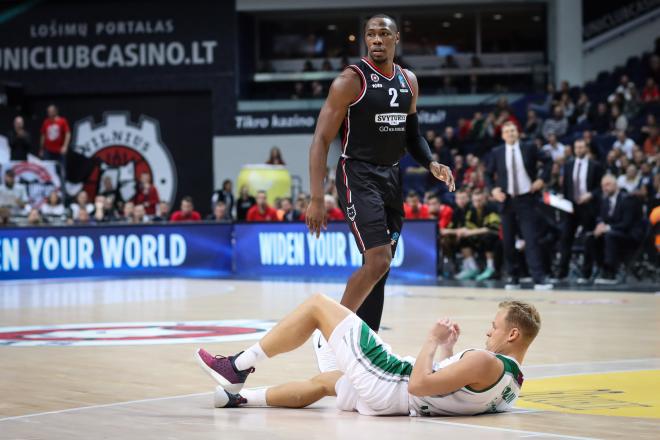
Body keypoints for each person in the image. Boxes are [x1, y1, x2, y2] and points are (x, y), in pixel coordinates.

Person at [305, 15, 454, 359]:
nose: (376, 39)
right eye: (370, 34)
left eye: (383, 34)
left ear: (395, 39)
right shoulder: (349, 81)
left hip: (391, 177)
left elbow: (412, 134)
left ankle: (366, 345)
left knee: (381, 269)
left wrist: (431, 162)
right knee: (378, 259)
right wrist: (316, 197)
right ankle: (331, 338)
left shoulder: (408, 81)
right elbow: (321, 140)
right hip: (357, 174)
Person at [195, 294, 539, 417]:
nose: (488, 332)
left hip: (392, 382)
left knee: (318, 305)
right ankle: (238, 400)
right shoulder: (513, 383)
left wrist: (432, 342)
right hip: (394, 403)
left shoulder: (486, 360)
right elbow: (452, 390)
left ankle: (237, 367)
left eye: (494, 327)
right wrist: (451, 350)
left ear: (512, 334)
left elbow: (420, 384)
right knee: (328, 382)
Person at [486, 121, 553, 289]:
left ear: (518, 132)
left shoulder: (529, 147)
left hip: (526, 198)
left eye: (513, 130)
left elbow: (548, 161)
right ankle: (513, 277)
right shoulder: (497, 152)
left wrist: (542, 179)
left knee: (531, 239)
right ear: (502, 135)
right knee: (508, 241)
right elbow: (487, 174)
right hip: (506, 200)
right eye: (507, 131)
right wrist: (493, 190)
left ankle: (539, 278)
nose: (510, 133)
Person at [556, 139, 603, 282]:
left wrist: (591, 194)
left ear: (586, 149)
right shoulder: (568, 165)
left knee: (588, 239)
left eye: (581, 147)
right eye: (576, 147)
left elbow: (599, 188)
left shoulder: (595, 165)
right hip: (571, 207)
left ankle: (586, 273)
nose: (579, 149)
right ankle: (561, 273)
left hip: (588, 207)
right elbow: (565, 187)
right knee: (565, 239)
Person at [588, 175, 645, 284]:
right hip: (614, 233)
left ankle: (611, 273)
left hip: (630, 235)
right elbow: (600, 217)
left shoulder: (627, 199)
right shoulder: (605, 201)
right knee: (592, 237)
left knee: (610, 236)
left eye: (608, 184)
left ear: (616, 185)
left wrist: (607, 228)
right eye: (603, 186)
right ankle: (600, 269)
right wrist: (600, 225)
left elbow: (627, 224)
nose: (605, 188)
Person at [453, 190, 501, 281]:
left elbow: (490, 229)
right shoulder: (471, 210)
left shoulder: (491, 208)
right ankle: (472, 268)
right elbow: (468, 226)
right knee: (463, 239)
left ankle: (491, 268)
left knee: (488, 237)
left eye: (480, 200)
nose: (477, 203)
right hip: (478, 236)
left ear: (484, 199)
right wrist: (463, 232)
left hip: (495, 236)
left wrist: (470, 232)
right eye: (475, 200)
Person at [39, 105, 70, 178]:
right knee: (47, 170)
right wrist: (41, 149)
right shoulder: (46, 122)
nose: (49, 113)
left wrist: (65, 146)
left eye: (51, 111)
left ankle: (61, 188)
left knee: (61, 171)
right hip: (48, 151)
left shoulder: (62, 121)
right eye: (48, 111)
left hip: (59, 151)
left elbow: (68, 134)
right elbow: (43, 135)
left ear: (55, 111)